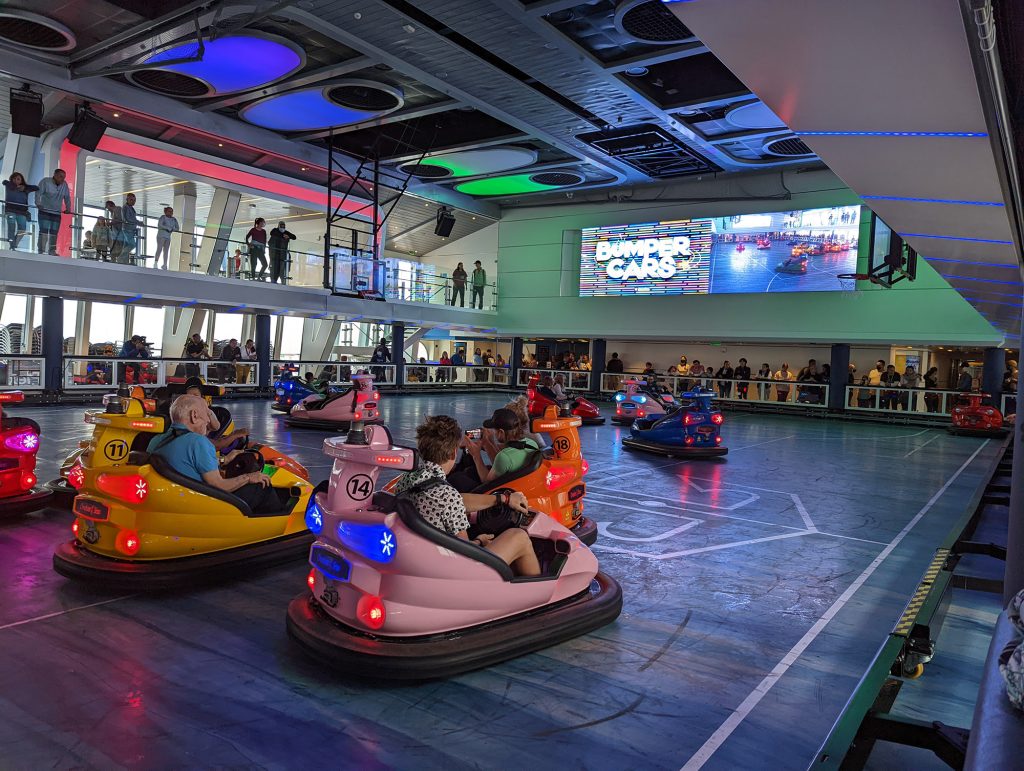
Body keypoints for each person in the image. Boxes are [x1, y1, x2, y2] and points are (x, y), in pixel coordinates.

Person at [393, 415, 539, 577]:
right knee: (519, 537)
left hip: (422, 556)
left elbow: (456, 500)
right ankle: (539, 594)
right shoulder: (447, 496)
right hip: (454, 571)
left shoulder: (407, 480)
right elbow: (465, 552)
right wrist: (479, 541)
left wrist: (502, 499)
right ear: (454, 453)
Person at [149, 394, 281, 513]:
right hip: (200, 505)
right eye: (207, 414)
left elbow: (188, 463)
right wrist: (249, 477)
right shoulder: (198, 441)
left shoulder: (156, 440)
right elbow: (219, 486)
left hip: (173, 500)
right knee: (262, 486)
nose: (208, 421)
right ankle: (277, 531)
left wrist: (224, 460)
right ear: (194, 416)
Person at [464, 408, 541, 486]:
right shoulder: (531, 443)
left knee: (460, 478)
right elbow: (502, 465)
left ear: (501, 432)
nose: (494, 433)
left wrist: (476, 455)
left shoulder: (504, 457)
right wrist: (487, 443)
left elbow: (486, 483)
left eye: (495, 430)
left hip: (504, 490)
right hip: (522, 484)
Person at [35, 168, 71, 256]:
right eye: (60, 176)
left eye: (64, 177)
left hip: (56, 213)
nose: (62, 179)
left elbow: (67, 197)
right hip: (44, 211)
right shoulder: (45, 182)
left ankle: (51, 251)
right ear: (54, 175)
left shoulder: (64, 185)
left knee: (54, 233)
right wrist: (38, 204)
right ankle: (41, 250)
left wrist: (68, 208)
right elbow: (38, 193)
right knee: (43, 231)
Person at [2, 172, 37, 251]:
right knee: (11, 227)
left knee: (22, 229)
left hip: (22, 212)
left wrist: (24, 188)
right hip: (10, 210)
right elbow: (4, 182)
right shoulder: (8, 185)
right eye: (14, 179)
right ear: (11, 179)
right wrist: (15, 186)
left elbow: (36, 188)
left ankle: (14, 244)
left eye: (18, 179)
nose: (16, 180)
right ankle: (12, 246)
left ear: (21, 180)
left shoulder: (26, 189)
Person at [121, 193, 139, 261]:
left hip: (130, 229)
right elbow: (128, 218)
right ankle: (121, 258)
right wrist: (137, 222)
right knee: (132, 244)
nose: (133, 201)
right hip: (127, 229)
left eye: (134, 200)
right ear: (127, 199)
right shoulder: (125, 207)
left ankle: (124, 260)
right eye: (131, 200)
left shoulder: (131, 208)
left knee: (126, 245)